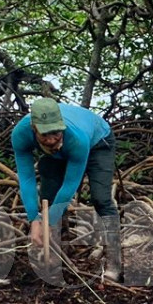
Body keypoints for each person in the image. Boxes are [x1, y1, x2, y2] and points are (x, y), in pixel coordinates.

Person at [12, 96, 120, 281]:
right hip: (59, 154)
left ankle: (114, 263)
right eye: (45, 135)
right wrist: (34, 219)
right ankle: (57, 254)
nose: (52, 139)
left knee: (101, 198)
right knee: (49, 195)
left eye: (56, 133)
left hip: (98, 141)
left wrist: (47, 222)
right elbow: (27, 177)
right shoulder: (20, 134)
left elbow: (70, 185)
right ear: (34, 128)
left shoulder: (76, 138)